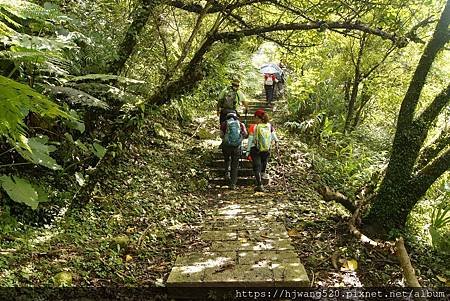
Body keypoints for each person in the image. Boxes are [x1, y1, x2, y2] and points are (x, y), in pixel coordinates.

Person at [246, 109, 279, 192]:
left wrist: (247, 151)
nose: (254, 119)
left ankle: (259, 184)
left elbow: (250, 140)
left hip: (255, 149)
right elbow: (275, 137)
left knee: (256, 167)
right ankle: (261, 179)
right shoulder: (269, 126)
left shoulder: (254, 127)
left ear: (258, 118)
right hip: (266, 149)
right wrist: (276, 144)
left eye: (255, 117)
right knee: (262, 167)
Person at [220, 112, 248, 190]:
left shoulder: (224, 124)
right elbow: (245, 134)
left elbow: (221, 135)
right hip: (236, 147)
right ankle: (233, 184)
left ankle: (226, 173)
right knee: (235, 165)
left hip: (226, 146)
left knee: (226, 159)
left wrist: (226, 139)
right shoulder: (241, 124)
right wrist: (240, 137)